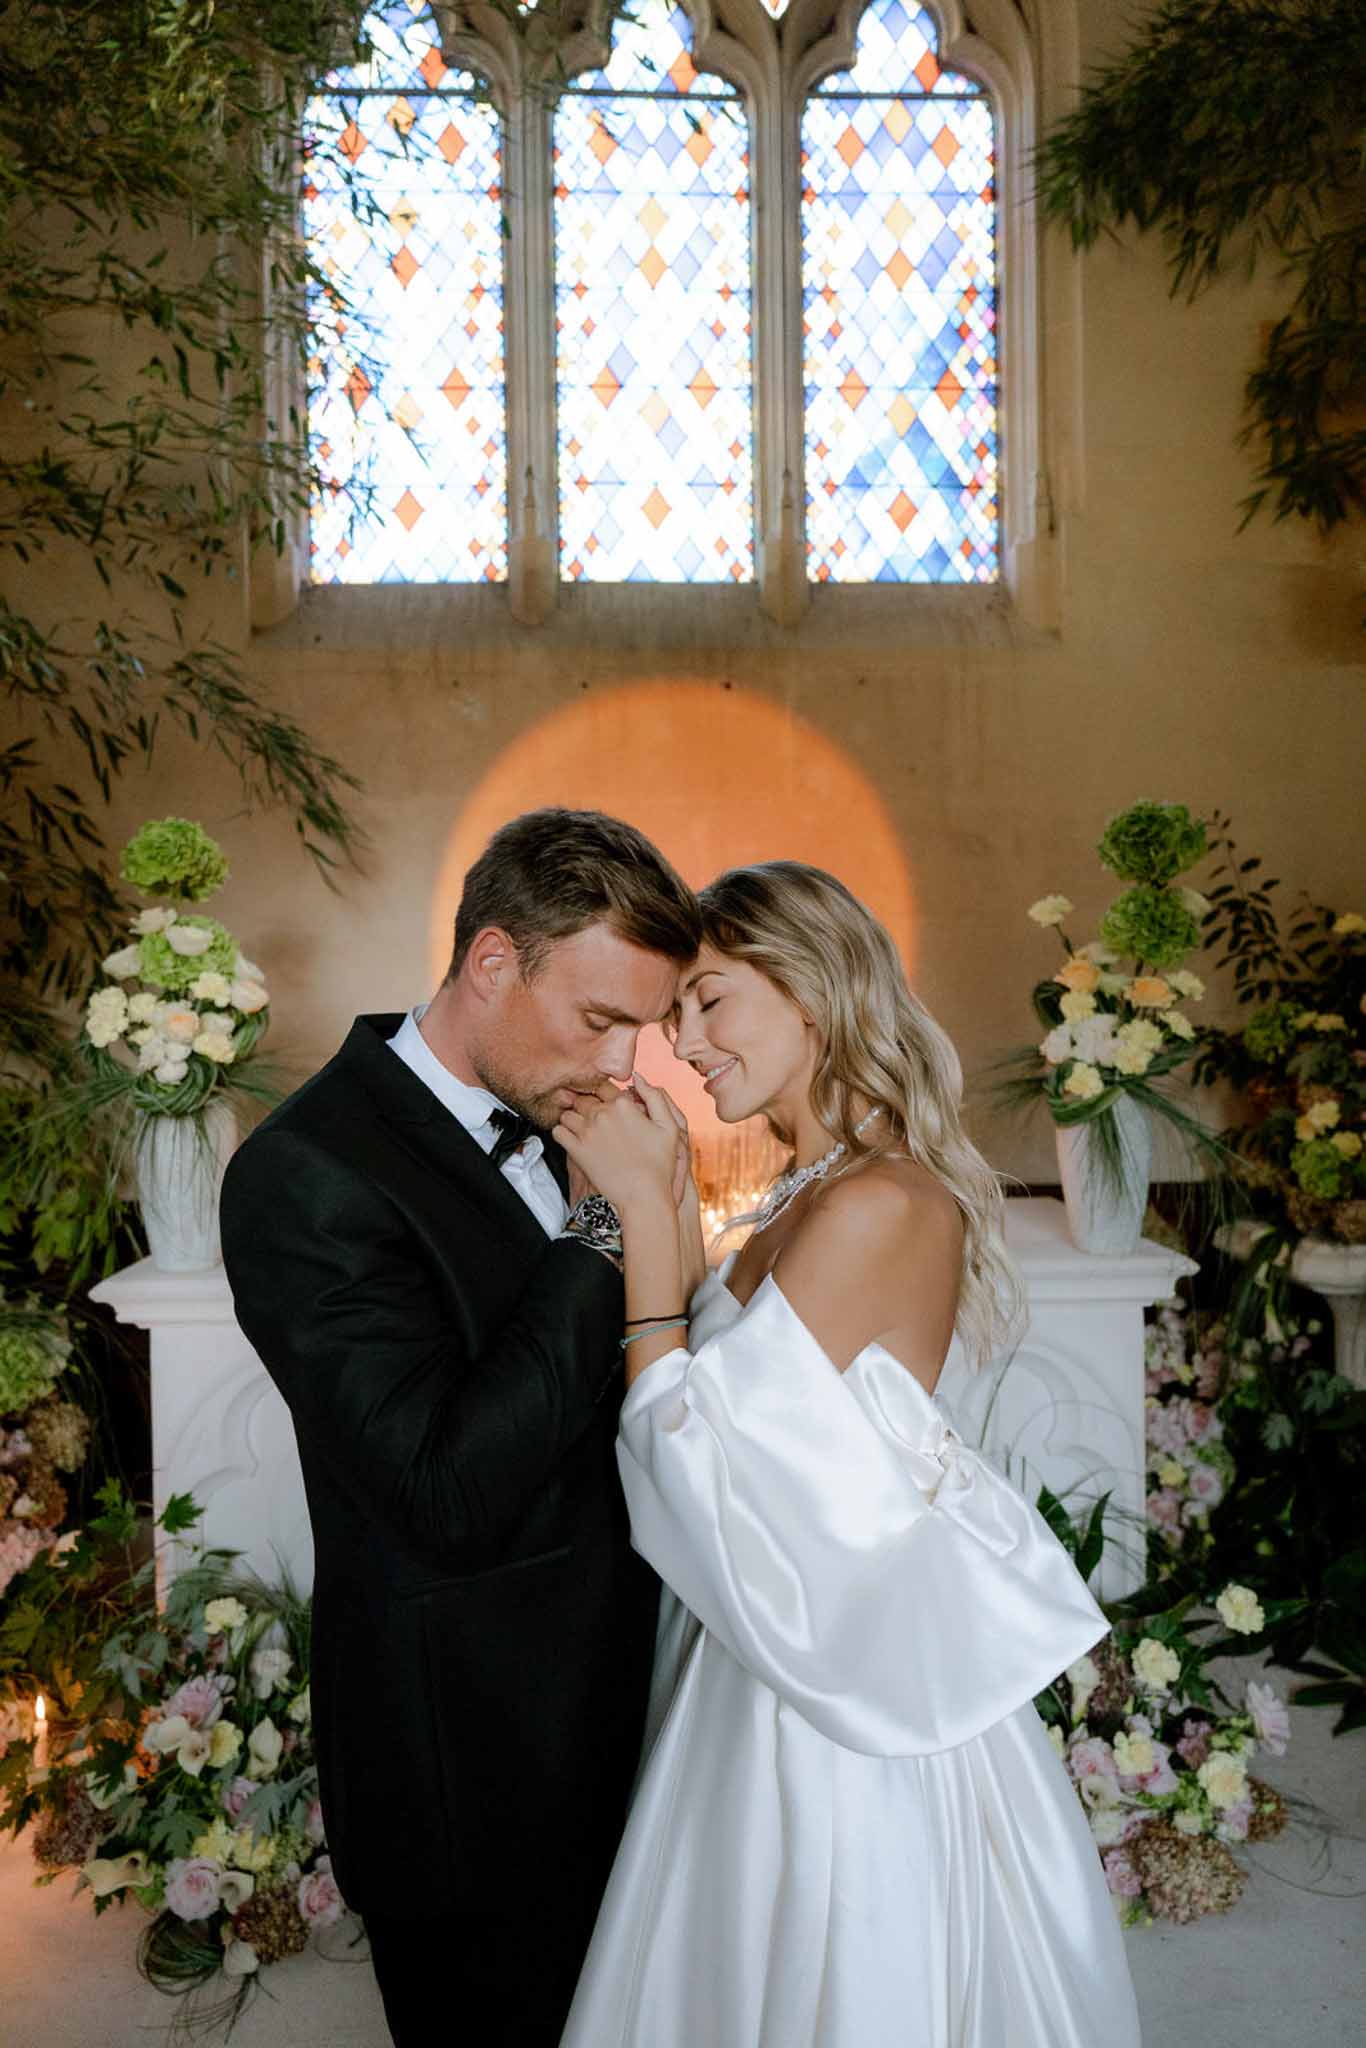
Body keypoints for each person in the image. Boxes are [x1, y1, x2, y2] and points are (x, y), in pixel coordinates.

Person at [554, 860, 1143, 2048]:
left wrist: (650, 1221)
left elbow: (699, 1476)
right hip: (759, 1643)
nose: (686, 1042)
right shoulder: (803, 1189)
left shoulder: (882, 1201)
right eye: (676, 1016)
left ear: (813, 990)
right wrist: (655, 1203)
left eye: (711, 1000)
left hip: (833, 1698)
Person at [218, 808, 699, 2048]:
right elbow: (440, 1483)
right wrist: (603, 1227)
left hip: (611, 1696)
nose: (625, 1061)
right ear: (493, 962)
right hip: (471, 1755)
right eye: (600, 1019)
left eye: (639, 1027)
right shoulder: (305, 1172)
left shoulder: (559, 1107)